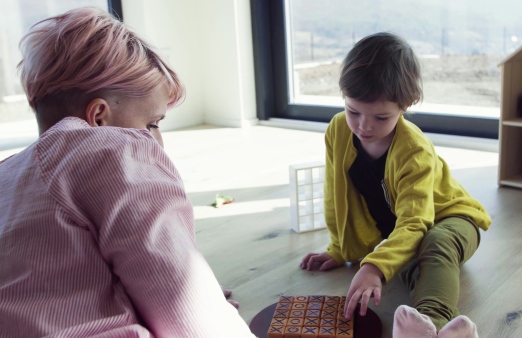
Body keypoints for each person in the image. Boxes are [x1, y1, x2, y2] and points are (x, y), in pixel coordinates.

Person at [0, 7, 256, 338]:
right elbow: (190, 314)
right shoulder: (115, 151)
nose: (156, 142)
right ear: (98, 118)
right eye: (152, 124)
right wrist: (202, 301)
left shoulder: (8, 174)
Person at [300, 32, 491, 338]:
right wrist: (338, 249)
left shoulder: (415, 150)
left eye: (381, 117)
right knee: (410, 266)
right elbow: (335, 196)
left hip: (452, 219)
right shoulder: (337, 130)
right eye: (353, 111)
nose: (364, 125)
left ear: (406, 106)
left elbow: (417, 222)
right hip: (402, 230)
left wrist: (374, 267)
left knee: (436, 243)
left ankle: (434, 326)